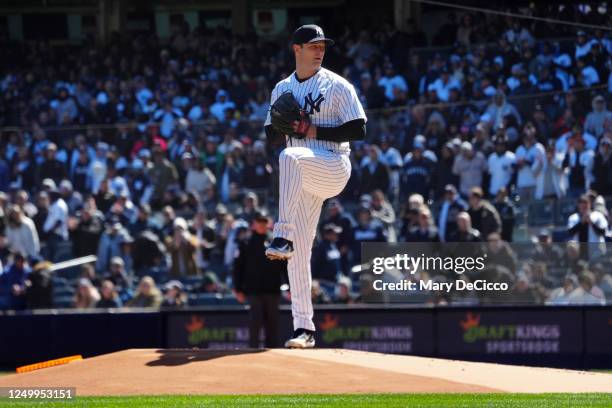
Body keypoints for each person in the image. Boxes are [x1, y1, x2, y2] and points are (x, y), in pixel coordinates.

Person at [263, 25, 367, 349]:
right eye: (313, 45)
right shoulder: (282, 87)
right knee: (300, 251)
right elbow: (270, 134)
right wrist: (286, 126)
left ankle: (280, 234)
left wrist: (309, 130)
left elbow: (359, 128)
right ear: (297, 49)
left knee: (290, 156)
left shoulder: (337, 85)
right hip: (303, 173)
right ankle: (304, 329)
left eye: (322, 45)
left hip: (334, 164)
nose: (320, 50)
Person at [233, 211, 286, 348]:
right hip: (253, 291)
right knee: (255, 323)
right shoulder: (245, 243)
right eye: (259, 222)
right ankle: (252, 354)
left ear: (268, 224)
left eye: (264, 222)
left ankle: (272, 353)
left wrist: (290, 286)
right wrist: (237, 288)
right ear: (253, 224)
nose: (262, 224)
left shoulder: (276, 241)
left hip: (273, 291)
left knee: (272, 324)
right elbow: (238, 267)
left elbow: (284, 266)